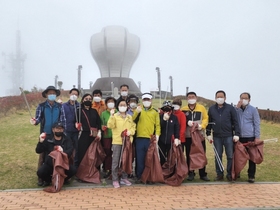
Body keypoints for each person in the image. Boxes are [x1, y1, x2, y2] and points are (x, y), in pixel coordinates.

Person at [30, 85, 66, 186]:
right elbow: (38, 119)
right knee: (42, 156)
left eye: (53, 93)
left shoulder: (59, 106)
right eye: (50, 93)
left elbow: (63, 121)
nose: (52, 95)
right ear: (46, 95)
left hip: (56, 135)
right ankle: (41, 177)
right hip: (45, 135)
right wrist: (34, 121)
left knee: (55, 155)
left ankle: (54, 175)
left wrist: (63, 133)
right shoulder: (41, 106)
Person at [206, 90, 240, 181]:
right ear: (215, 98)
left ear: (225, 98)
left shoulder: (230, 108)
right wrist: (208, 133)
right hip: (216, 136)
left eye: (221, 97)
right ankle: (219, 174)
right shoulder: (212, 109)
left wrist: (237, 134)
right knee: (218, 155)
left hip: (228, 136)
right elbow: (209, 122)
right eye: (218, 97)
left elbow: (235, 122)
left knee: (230, 156)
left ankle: (230, 174)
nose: (220, 98)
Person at [181, 92, 210, 181]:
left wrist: (202, 126)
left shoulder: (201, 108)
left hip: (199, 135)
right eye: (189, 97)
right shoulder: (183, 109)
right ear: (187, 99)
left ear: (196, 98)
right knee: (189, 154)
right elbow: (181, 120)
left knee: (201, 154)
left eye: (193, 97)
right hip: (188, 136)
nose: (191, 98)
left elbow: (206, 118)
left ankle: (202, 174)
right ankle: (191, 173)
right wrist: (187, 122)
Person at [36, 122, 76, 186]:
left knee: (73, 170)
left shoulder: (67, 139)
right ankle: (49, 180)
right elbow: (38, 151)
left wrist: (63, 152)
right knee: (40, 172)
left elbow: (70, 151)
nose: (59, 130)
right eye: (57, 129)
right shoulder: (48, 139)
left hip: (62, 164)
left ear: (63, 130)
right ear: (53, 129)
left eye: (61, 129)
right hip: (50, 164)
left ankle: (63, 180)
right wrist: (40, 142)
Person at [107, 99, 136, 188]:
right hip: (117, 141)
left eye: (124, 105)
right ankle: (115, 179)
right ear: (118, 106)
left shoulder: (129, 117)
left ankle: (124, 177)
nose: (122, 106)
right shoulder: (115, 116)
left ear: (127, 106)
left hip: (127, 142)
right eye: (121, 105)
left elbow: (133, 127)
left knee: (125, 160)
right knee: (116, 161)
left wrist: (130, 132)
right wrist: (111, 116)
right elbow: (110, 125)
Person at [132, 93, 161, 183]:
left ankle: (149, 177)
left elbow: (157, 125)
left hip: (150, 139)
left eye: (148, 100)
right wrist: (137, 112)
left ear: (151, 100)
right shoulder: (138, 110)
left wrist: (157, 136)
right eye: (144, 100)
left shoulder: (155, 112)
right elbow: (132, 120)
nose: (146, 101)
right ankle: (140, 176)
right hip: (140, 138)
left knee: (149, 159)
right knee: (140, 159)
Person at [235, 92, 260, 183]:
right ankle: (237, 172)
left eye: (245, 98)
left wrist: (257, 137)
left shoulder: (253, 110)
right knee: (238, 156)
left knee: (252, 157)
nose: (243, 100)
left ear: (249, 100)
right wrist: (236, 108)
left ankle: (251, 175)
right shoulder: (236, 109)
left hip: (250, 136)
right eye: (242, 98)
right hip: (239, 137)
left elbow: (257, 124)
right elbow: (233, 119)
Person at [77, 94, 101, 167]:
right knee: (82, 152)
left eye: (90, 99)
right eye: (86, 99)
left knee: (93, 152)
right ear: (83, 100)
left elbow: (98, 122)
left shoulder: (94, 111)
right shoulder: (79, 111)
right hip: (83, 134)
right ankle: (82, 171)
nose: (88, 100)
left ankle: (93, 170)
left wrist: (99, 132)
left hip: (93, 135)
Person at [62, 88, 80, 168]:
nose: (74, 96)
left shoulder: (79, 106)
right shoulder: (63, 106)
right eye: (72, 94)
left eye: (76, 94)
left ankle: (75, 166)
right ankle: (66, 165)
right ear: (69, 94)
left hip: (76, 131)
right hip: (67, 130)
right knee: (67, 148)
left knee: (77, 149)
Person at [158, 101, 180, 165]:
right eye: (165, 108)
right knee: (162, 158)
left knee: (171, 158)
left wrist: (176, 138)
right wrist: (164, 120)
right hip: (161, 141)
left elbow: (176, 128)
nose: (167, 110)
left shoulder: (174, 118)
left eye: (168, 108)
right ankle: (163, 172)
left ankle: (170, 172)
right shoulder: (160, 117)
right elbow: (159, 127)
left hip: (171, 141)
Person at [100, 96, 116, 178]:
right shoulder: (103, 114)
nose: (110, 103)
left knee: (116, 153)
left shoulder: (118, 113)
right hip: (107, 136)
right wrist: (102, 127)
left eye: (112, 101)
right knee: (107, 153)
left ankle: (116, 170)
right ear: (106, 104)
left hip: (116, 137)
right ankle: (107, 169)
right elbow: (101, 123)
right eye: (109, 101)